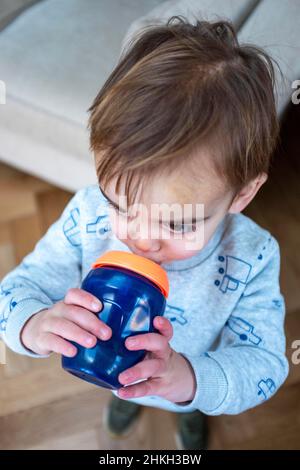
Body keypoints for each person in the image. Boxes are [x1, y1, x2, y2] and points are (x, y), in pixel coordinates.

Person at [0, 16, 289, 450]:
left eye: (176, 223)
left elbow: (266, 365)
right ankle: (128, 400)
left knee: (185, 401)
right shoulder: (89, 216)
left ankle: (186, 412)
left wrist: (189, 380)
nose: (141, 238)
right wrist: (34, 323)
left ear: (242, 195)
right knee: (126, 385)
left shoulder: (252, 256)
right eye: (121, 204)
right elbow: (17, 290)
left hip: (190, 379)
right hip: (111, 362)